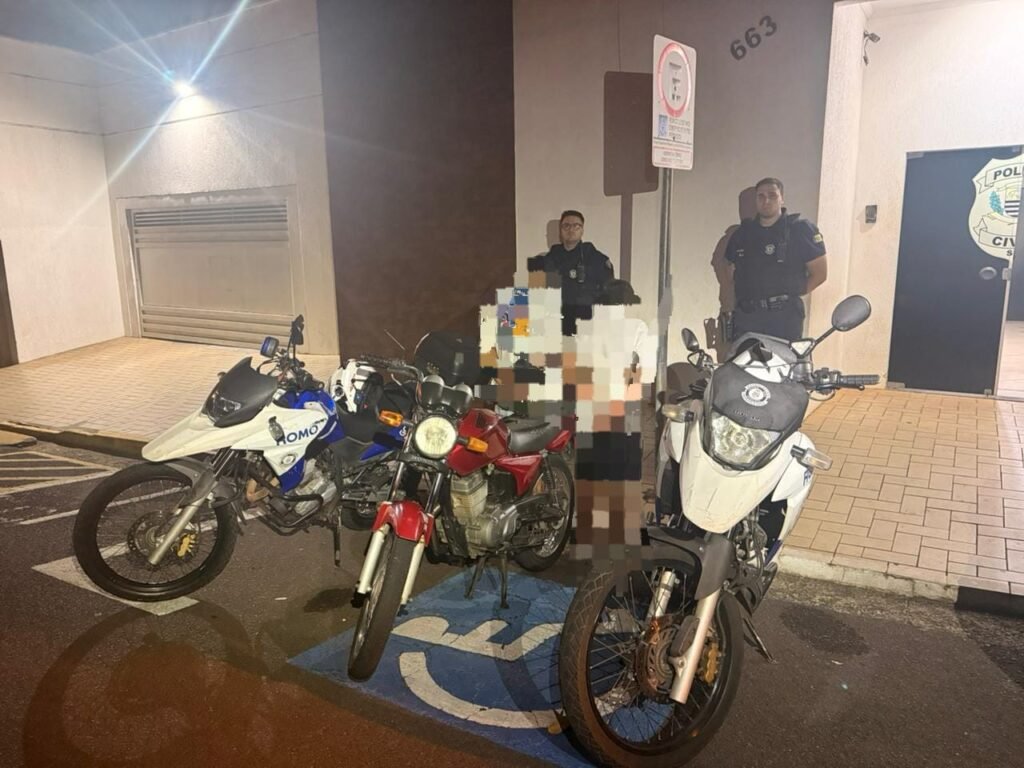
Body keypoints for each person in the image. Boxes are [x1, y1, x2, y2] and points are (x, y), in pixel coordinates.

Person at [719, 178, 828, 341]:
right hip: (748, 317)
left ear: (781, 198)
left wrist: (788, 295)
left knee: (781, 357)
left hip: (784, 319)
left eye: (772, 195)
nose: (766, 201)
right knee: (745, 357)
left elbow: (820, 274)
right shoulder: (742, 234)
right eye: (761, 196)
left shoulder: (800, 230)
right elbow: (729, 272)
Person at [527, 210, 614, 336]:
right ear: (560, 230)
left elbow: (608, 294)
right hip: (554, 323)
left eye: (576, 226)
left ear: (582, 230)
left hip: (585, 324)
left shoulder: (594, 258)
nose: (571, 230)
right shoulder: (550, 257)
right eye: (566, 226)